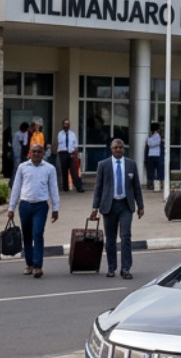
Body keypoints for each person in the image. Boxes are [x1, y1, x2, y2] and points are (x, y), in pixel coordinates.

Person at [90, 138, 145, 279]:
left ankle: (126, 268)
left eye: (120, 147)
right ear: (111, 149)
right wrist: (95, 207)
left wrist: (141, 206)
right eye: (115, 148)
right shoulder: (104, 165)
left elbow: (136, 187)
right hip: (109, 206)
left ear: (124, 149)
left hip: (126, 206)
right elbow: (98, 187)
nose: (118, 150)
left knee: (126, 237)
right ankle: (111, 267)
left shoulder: (131, 164)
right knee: (110, 239)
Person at [7, 141, 60, 278]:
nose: (36, 154)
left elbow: (54, 189)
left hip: (41, 206)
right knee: (27, 236)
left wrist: (56, 208)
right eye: (33, 151)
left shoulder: (49, 168)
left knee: (38, 233)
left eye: (39, 151)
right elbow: (16, 188)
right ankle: (29, 264)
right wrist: (11, 208)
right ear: (29, 153)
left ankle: (38, 266)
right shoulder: (22, 167)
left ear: (43, 153)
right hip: (25, 205)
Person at [54, 118, 81, 193]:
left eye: (67, 124)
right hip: (63, 153)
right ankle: (65, 187)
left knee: (74, 171)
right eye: (65, 124)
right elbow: (60, 144)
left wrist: (74, 154)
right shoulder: (60, 134)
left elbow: (75, 145)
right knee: (64, 171)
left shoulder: (72, 134)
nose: (66, 125)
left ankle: (79, 186)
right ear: (62, 125)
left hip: (71, 154)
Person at [145, 122, 164, 191]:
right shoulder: (158, 137)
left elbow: (150, 144)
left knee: (151, 171)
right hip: (157, 155)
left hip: (151, 155)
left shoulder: (150, 138)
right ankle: (158, 184)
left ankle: (151, 184)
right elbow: (155, 143)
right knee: (159, 170)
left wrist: (150, 143)